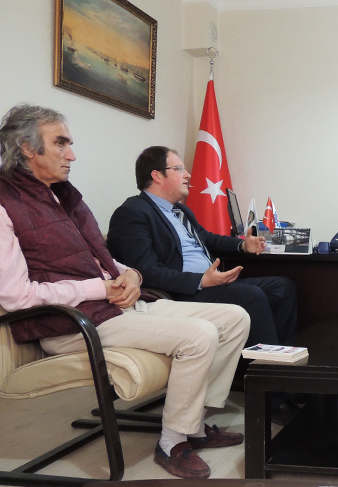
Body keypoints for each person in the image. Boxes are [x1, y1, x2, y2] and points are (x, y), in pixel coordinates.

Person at [0, 104, 251, 479]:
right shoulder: (5, 204)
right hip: (72, 324)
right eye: (61, 143)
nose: (72, 154)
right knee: (200, 334)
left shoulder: (64, 197)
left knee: (235, 317)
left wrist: (130, 275)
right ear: (26, 147)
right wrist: (98, 287)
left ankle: (193, 424)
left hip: (114, 308)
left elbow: (101, 260)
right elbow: (15, 296)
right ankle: (172, 442)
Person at [107, 146, 297, 348]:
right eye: (179, 169)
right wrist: (200, 281)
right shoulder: (132, 213)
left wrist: (243, 245)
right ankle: (265, 365)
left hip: (208, 284)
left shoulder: (181, 211)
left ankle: (281, 356)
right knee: (251, 296)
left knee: (282, 287)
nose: (187, 175)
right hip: (180, 292)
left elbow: (208, 239)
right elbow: (145, 271)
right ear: (157, 176)